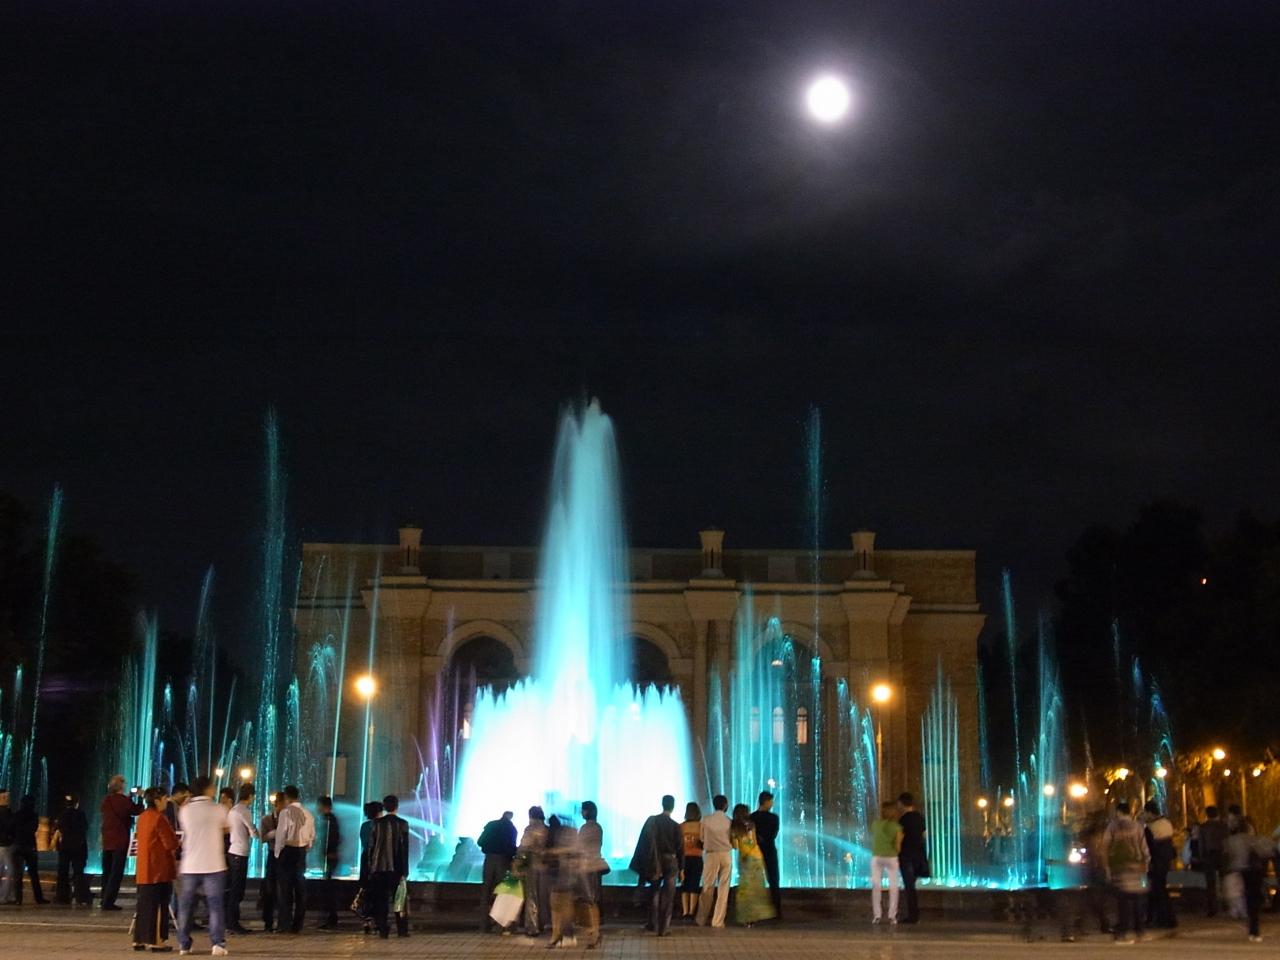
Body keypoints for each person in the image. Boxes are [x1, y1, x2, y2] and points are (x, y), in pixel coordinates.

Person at [176, 775, 229, 957]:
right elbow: (226, 828)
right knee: (215, 905)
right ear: (207, 789)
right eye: (213, 786)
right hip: (213, 864)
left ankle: (184, 944)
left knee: (186, 906)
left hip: (190, 865)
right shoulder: (219, 809)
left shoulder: (185, 810)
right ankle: (217, 943)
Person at [629, 795, 684, 936]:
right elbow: (680, 848)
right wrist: (682, 868)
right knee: (668, 895)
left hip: (655, 861)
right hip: (671, 861)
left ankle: (653, 924)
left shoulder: (653, 821)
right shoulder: (675, 826)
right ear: (673, 807)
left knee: (654, 891)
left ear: (662, 804)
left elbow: (645, 843)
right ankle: (664, 928)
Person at [134, 786, 180, 951]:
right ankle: (157, 940)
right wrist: (178, 842)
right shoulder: (159, 818)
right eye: (164, 798)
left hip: (143, 869)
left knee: (143, 905)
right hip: (158, 869)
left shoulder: (142, 817)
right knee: (159, 905)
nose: (166, 801)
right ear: (156, 800)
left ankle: (139, 939)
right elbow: (170, 843)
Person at [1098, 800, 1150, 944]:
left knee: (1123, 903)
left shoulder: (1113, 827)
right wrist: (1146, 865)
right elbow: (1144, 847)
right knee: (1139, 900)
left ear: (1118, 812)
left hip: (1119, 870)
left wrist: (1107, 869)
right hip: (1139, 870)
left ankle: (1121, 932)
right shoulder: (1138, 826)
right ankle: (1140, 931)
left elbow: (1105, 847)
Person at [273, 784, 315, 934]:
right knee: (300, 889)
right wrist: (307, 846)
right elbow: (312, 835)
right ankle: (298, 924)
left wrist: (277, 854)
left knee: (285, 890)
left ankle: (285, 924)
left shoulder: (286, 812)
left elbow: (281, 835)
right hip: (301, 852)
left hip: (288, 851)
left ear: (286, 797)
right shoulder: (308, 814)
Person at [368, 794, 411, 939]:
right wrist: (405, 870)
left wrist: (371, 867)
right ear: (397, 806)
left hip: (378, 867)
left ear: (385, 807)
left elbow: (371, 847)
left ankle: (382, 929)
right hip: (397, 868)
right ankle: (402, 929)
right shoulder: (403, 824)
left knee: (381, 900)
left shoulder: (376, 824)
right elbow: (404, 848)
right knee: (399, 899)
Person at [1225, 816, 1274, 942]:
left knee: (1246, 898)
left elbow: (1228, 854)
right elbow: (1268, 851)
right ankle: (1254, 929)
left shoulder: (1232, 840)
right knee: (1253, 901)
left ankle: (1248, 922)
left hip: (1240, 871)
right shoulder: (1253, 840)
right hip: (1254, 872)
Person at [100, 774, 143, 910]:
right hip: (120, 840)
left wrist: (129, 796)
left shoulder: (106, 800)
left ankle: (104, 898)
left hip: (107, 840)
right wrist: (140, 797)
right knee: (116, 873)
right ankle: (109, 902)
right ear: (121, 785)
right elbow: (137, 810)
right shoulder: (123, 801)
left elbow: (121, 809)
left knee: (107, 871)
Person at [730, 803, 775, 926]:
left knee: (745, 889)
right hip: (757, 857)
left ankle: (746, 918)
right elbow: (754, 842)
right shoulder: (751, 825)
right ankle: (755, 917)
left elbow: (735, 846)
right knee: (756, 888)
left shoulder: (735, 827)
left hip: (745, 858)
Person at [224, 783, 257, 935]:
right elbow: (253, 832)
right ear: (250, 796)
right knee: (237, 890)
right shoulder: (244, 811)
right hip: (240, 852)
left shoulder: (233, 810)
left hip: (233, 851)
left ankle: (231, 921)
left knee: (234, 889)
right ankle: (233, 923)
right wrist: (255, 831)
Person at [477, 810, 518, 932]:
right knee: (503, 892)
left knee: (486, 891)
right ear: (510, 817)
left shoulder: (491, 825)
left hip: (489, 859)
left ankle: (483, 925)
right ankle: (501, 925)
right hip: (503, 861)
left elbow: (480, 842)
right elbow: (512, 847)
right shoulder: (512, 829)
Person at [695, 795, 732, 928]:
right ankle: (717, 921)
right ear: (725, 805)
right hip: (726, 855)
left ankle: (701, 919)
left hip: (711, 855)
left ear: (714, 804)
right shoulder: (729, 821)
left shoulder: (706, 820)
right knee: (723, 889)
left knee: (707, 886)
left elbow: (701, 838)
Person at [576, 801, 608, 949]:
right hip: (595, 866)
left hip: (588, 867)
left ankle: (594, 932)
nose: (581, 813)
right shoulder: (598, 827)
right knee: (593, 900)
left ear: (588, 811)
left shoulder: (586, 828)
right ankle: (594, 930)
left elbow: (579, 846)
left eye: (583, 810)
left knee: (590, 900)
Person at [546, 814, 581, 947]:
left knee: (559, 904)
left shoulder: (559, 833)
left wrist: (555, 852)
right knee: (561, 904)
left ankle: (561, 935)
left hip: (561, 873)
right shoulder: (568, 832)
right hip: (562, 873)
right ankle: (560, 935)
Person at [1142, 801, 1176, 929]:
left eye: (1145, 813)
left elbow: (1148, 847)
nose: (1144, 815)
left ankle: (1162, 919)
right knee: (1161, 890)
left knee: (1156, 891)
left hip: (1155, 863)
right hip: (1165, 862)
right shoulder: (1167, 823)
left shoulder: (1151, 828)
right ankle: (1165, 918)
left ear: (1150, 813)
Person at [517, 805, 550, 936]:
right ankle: (543, 923)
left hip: (532, 865)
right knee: (543, 896)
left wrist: (518, 861)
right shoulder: (546, 829)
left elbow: (524, 847)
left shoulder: (530, 829)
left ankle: (532, 926)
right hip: (545, 866)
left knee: (532, 896)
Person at [54, 793, 91, 906]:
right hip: (78, 846)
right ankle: (81, 897)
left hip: (65, 846)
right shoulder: (80, 814)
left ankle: (62, 897)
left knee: (63, 872)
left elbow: (59, 828)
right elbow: (85, 828)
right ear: (77, 803)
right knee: (78, 872)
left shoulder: (62, 815)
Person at [869, 800, 903, 925]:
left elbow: (874, 836)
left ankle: (877, 915)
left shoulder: (875, 824)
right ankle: (892, 916)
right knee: (893, 887)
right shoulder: (897, 827)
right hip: (891, 858)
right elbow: (898, 847)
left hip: (877, 857)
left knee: (876, 886)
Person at [750, 791, 781, 919]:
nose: (772, 804)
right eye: (771, 802)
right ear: (766, 802)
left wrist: (758, 839)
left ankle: (754, 911)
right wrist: (764, 839)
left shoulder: (751, 817)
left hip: (755, 851)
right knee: (773, 880)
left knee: (754, 881)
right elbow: (773, 834)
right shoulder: (774, 818)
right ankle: (776, 910)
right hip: (770, 851)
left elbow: (750, 836)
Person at [897, 793, 927, 925]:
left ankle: (913, 916)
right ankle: (914, 915)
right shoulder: (919, 817)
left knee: (909, 887)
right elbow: (924, 835)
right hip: (918, 855)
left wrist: (897, 852)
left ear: (902, 803)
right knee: (911, 885)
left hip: (906, 856)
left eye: (898, 804)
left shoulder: (903, 819)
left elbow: (900, 838)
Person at [12, 794, 46, 905]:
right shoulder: (33, 816)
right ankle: (38, 898)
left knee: (18, 874)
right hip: (29, 846)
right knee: (33, 874)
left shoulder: (16, 815)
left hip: (17, 845)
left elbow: (11, 829)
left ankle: (18, 899)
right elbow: (33, 829)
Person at [258, 792, 285, 933]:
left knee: (284, 889)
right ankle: (268, 921)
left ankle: (282, 921)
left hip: (285, 855)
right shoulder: (267, 819)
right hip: (272, 855)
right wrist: (273, 833)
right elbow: (262, 838)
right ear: (277, 804)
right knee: (269, 888)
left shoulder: (289, 819)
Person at [357, 800, 384, 933]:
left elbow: (364, 843)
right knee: (379, 892)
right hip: (377, 861)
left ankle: (367, 921)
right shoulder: (381, 826)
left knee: (367, 890)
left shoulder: (364, 826)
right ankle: (378, 921)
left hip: (365, 860)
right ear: (379, 812)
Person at [1198, 805, 1229, 917]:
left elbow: (1201, 844)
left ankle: (1212, 907)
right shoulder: (1224, 826)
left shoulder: (1204, 827)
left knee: (1210, 883)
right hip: (1222, 854)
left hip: (1209, 855)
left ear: (1207, 815)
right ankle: (1226, 904)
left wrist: (1202, 857)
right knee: (1224, 880)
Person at [316, 795, 341, 928]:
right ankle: (329, 917)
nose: (317, 808)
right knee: (327, 887)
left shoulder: (330, 819)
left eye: (319, 805)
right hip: (328, 856)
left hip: (329, 857)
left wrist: (330, 851)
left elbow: (333, 837)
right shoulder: (327, 818)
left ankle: (331, 917)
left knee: (329, 888)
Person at [679, 802, 703, 920]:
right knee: (694, 885)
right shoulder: (701, 826)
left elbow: (678, 845)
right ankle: (692, 912)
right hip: (697, 858)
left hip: (684, 858)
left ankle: (685, 912)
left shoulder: (681, 827)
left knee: (684, 885)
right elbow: (704, 842)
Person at [0, 790, 14, 905]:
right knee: (10, 871)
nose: (7, 799)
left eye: (8, 797)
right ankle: (4, 896)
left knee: (7, 871)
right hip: (4, 845)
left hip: (6, 844)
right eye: (4, 797)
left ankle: (4, 896)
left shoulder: (7, 811)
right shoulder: (4, 812)